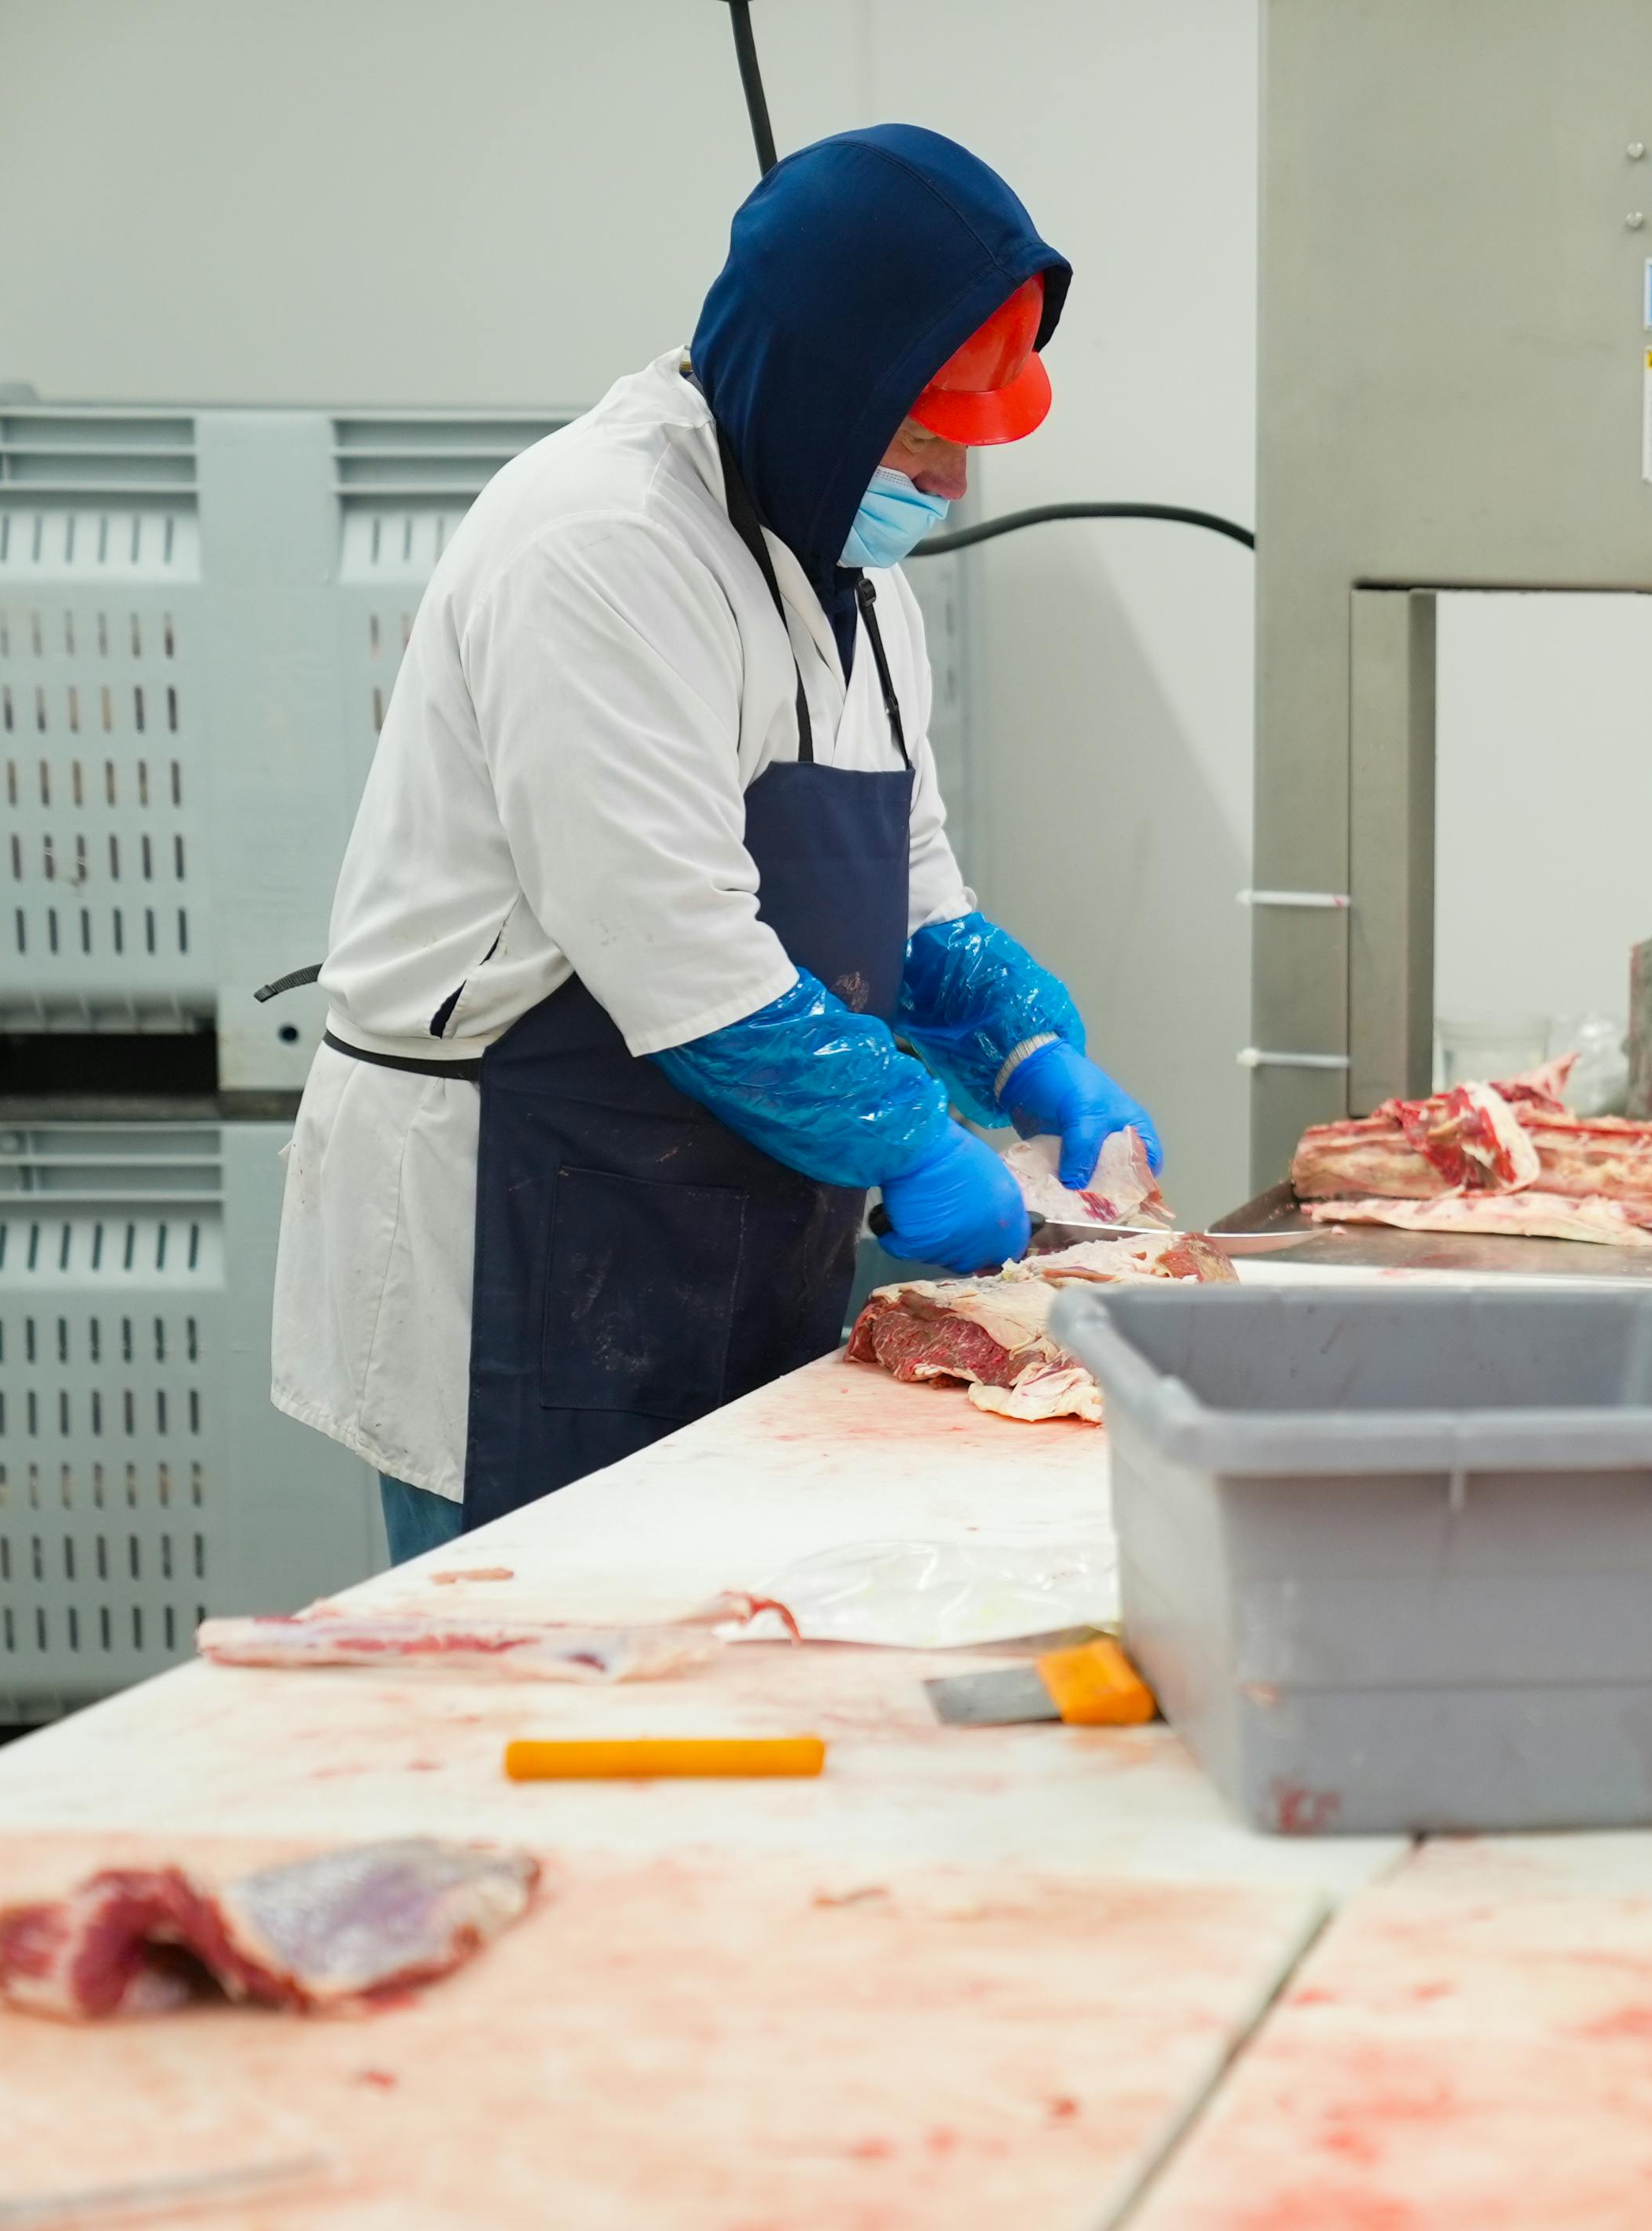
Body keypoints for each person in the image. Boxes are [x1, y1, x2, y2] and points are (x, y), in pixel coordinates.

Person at [273, 125, 1160, 1562]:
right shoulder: (603, 545)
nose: (949, 486)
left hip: (733, 1215)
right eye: (923, 439)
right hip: (531, 1209)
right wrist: (913, 1141)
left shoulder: (858, 581)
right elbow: (674, 945)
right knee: (544, 1674)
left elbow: (909, 882)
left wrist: (1021, 1050)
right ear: (818, 399)